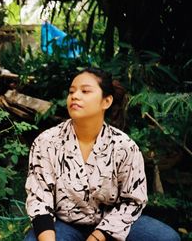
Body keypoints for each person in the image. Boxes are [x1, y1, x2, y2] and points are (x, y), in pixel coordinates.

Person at [24, 67, 180, 241]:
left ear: (106, 101)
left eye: (85, 91)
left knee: (166, 238)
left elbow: (133, 201)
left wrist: (99, 236)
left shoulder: (124, 146)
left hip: (114, 223)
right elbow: (39, 199)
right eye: (71, 91)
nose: (75, 96)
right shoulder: (46, 142)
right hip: (64, 224)